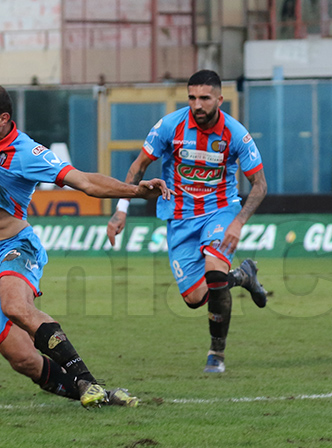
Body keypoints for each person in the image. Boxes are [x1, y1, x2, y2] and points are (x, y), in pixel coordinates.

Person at [0, 83, 171, 408]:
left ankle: (89, 381)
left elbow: (84, 181)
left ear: (3, 119)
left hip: (14, 247)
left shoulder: (26, 153)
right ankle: (98, 394)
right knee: (22, 359)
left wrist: (135, 192)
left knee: (15, 306)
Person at [105, 69, 269, 374]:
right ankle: (243, 276)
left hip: (220, 211)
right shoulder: (170, 126)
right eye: (192, 97)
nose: (197, 104)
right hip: (180, 217)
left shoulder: (235, 134)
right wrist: (122, 208)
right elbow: (139, 166)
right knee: (194, 298)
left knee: (215, 275)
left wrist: (238, 222)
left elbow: (259, 185)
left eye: (205, 98)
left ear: (219, 99)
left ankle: (216, 353)